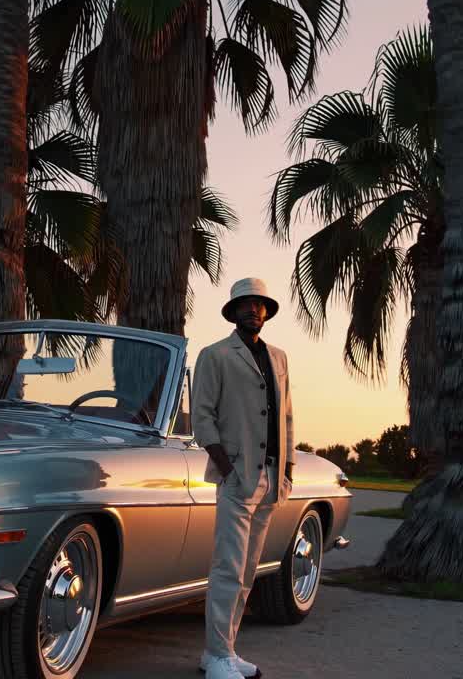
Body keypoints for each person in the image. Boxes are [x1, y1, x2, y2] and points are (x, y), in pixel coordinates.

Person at [192, 278, 295, 679]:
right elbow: (203, 418)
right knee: (228, 568)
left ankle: (226, 651)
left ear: (267, 311)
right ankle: (215, 653)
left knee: (249, 570)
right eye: (244, 304)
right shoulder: (215, 355)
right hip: (236, 477)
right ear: (233, 311)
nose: (253, 309)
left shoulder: (280, 358)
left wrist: (286, 470)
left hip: (270, 478)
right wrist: (227, 469)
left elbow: (286, 415)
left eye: (259, 304)